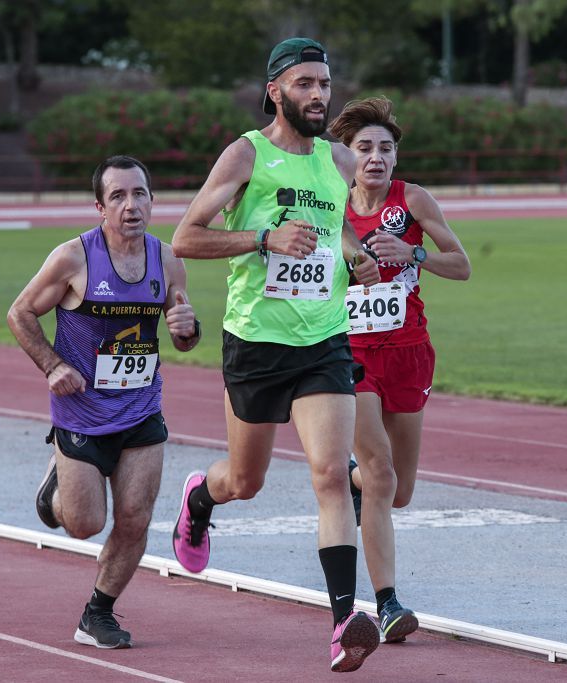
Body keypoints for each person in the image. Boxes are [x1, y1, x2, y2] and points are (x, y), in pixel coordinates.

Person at [168, 38, 382, 673]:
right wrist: (263, 236)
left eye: (325, 82)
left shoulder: (339, 161)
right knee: (247, 481)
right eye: (305, 84)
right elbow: (185, 237)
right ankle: (201, 500)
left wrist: (354, 254)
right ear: (275, 91)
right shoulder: (246, 154)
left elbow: (338, 228)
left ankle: (345, 620)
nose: (319, 94)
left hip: (323, 339)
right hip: (256, 342)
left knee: (329, 475)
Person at [6, 155, 201, 650]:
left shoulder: (167, 258)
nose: (131, 205)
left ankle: (98, 612)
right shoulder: (74, 259)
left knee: (135, 518)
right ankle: (55, 491)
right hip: (81, 413)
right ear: (99, 206)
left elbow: (182, 333)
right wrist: (53, 366)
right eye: (118, 196)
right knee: (85, 524)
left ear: (152, 201)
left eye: (139, 194)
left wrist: (188, 331)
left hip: (141, 410)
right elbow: (20, 313)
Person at [327, 97, 471, 645]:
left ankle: (351, 480)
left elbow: (462, 265)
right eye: (365, 148)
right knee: (383, 473)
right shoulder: (331, 204)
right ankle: (387, 604)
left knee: (399, 490)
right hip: (349, 353)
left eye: (386, 148)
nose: (376, 158)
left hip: (409, 351)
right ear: (348, 155)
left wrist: (413, 256)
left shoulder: (411, 200)